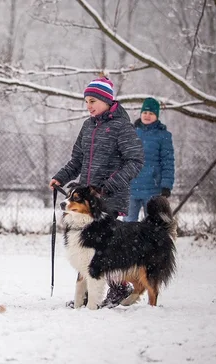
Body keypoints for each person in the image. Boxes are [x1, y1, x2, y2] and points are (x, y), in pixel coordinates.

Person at [48, 77, 144, 308]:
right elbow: (77, 160)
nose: (88, 106)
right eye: (86, 101)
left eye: (92, 101)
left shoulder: (122, 126)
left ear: (105, 100)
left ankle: (117, 289)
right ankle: (85, 296)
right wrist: (61, 177)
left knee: (101, 251)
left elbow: (135, 161)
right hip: (87, 199)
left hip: (110, 199)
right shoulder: (88, 126)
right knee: (84, 248)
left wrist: (108, 185)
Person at [126, 97, 175, 222]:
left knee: (152, 225)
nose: (147, 116)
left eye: (151, 113)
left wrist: (166, 185)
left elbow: (168, 162)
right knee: (128, 225)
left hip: (153, 188)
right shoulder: (131, 132)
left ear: (157, 116)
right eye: (145, 112)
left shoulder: (163, 136)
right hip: (131, 187)